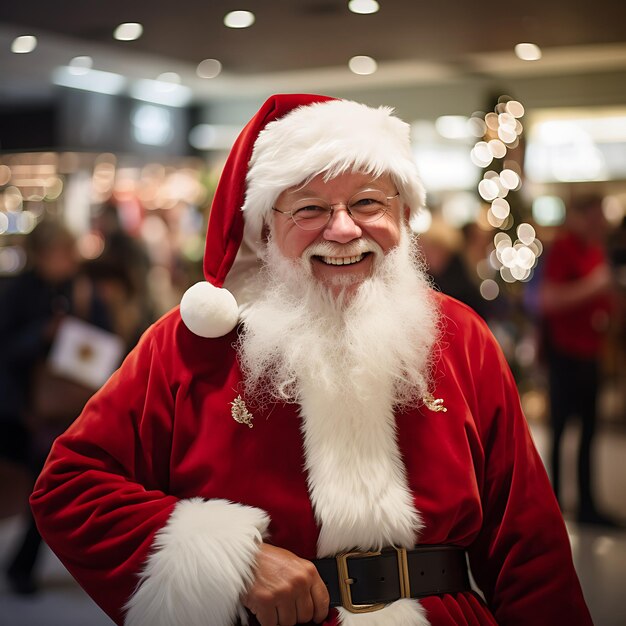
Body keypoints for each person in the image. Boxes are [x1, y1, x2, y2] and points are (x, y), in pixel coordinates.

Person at [30, 95, 592, 626]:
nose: (344, 229)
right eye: (310, 208)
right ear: (265, 228)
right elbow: (69, 487)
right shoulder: (189, 343)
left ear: (403, 212)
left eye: (368, 202)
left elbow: (528, 543)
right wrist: (234, 561)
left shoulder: (460, 336)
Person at [0, 219, 110, 594]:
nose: (63, 260)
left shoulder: (82, 290)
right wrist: (42, 335)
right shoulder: (17, 292)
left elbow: (105, 341)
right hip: (29, 411)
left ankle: (24, 566)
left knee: (58, 487)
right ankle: (23, 566)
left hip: (75, 408)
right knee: (46, 489)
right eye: (56, 253)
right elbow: (7, 352)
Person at [540, 193, 616, 526]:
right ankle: (554, 504)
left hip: (590, 351)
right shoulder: (564, 249)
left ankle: (587, 504)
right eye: (595, 217)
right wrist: (595, 286)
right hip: (565, 354)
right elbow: (549, 299)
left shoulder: (596, 250)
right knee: (560, 432)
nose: (600, 225)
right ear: (580, 217)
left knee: (589, 432)